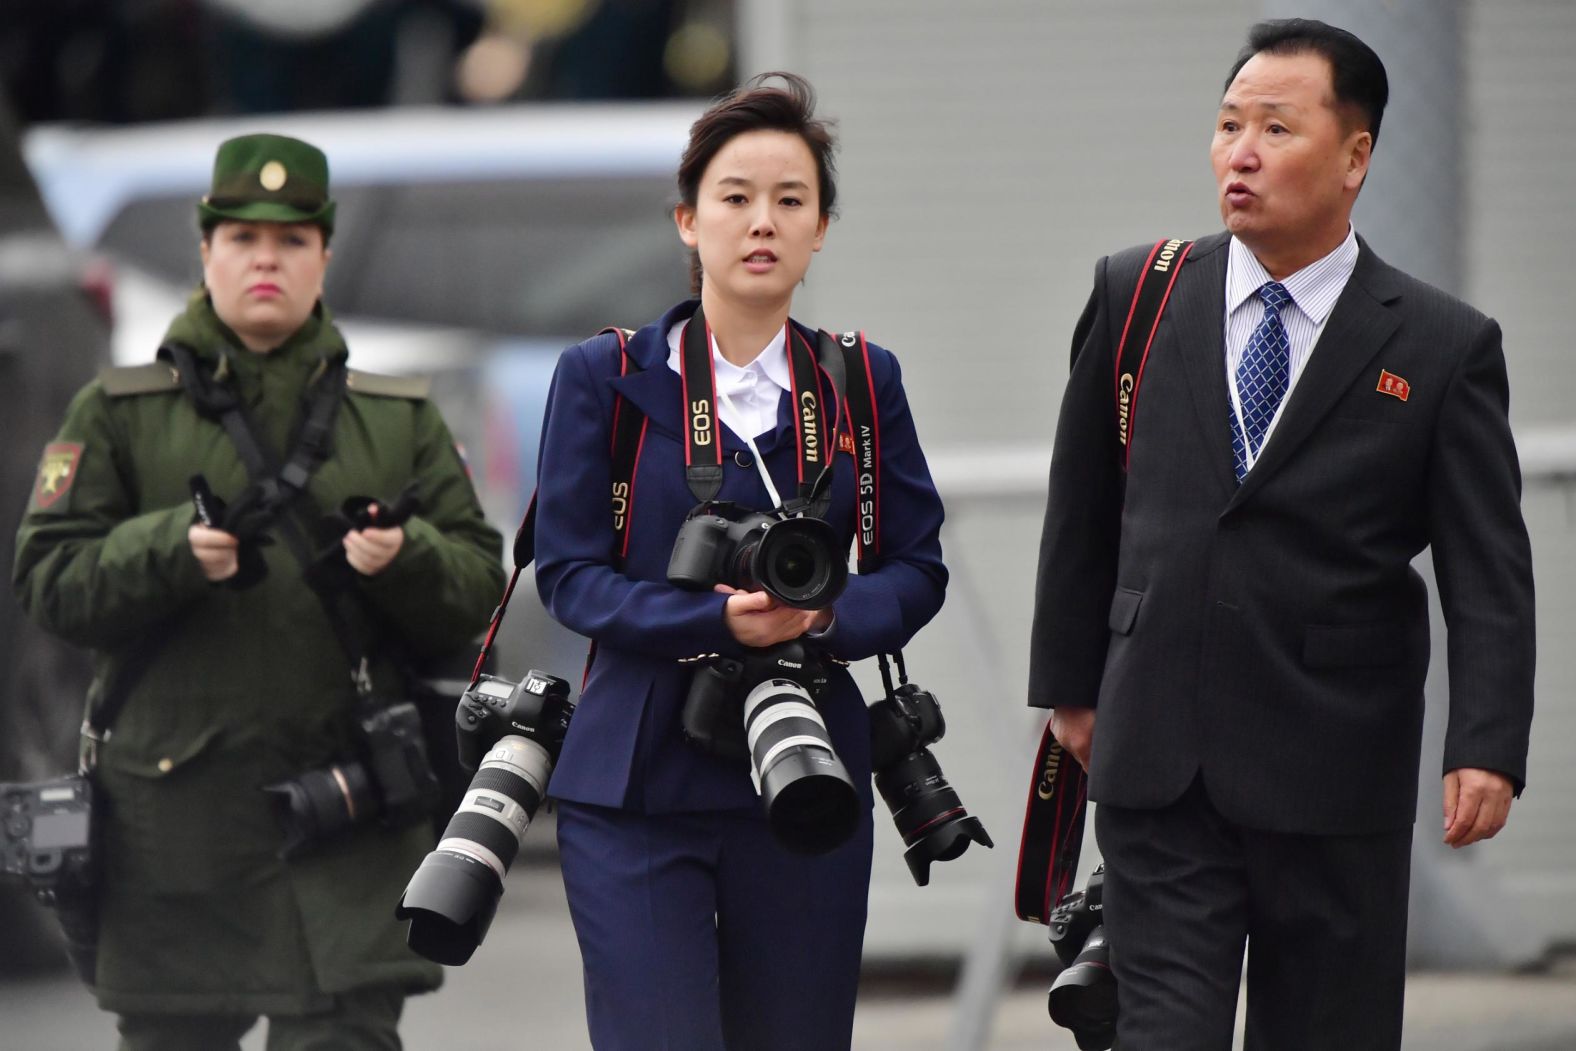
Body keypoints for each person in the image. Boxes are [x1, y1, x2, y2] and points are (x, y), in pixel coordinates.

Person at [1027, 19, 1535, 1051]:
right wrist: (1070, 685)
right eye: (1225, 125)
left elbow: (1487, 568)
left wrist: (1486, 743)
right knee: (1162, 1031)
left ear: (1354, 156)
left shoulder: (1440, 344)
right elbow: (1081, 506)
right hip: (1157, 747)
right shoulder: (1136, 292)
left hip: (1334, 759)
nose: (1240, 153)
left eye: (1273, 127)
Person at [13, 133, 503, 1050]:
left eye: (290, 242)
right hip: (173, 835)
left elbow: (478, 587)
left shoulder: (396, 417)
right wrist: (170, 550)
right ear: (207, 255)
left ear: (323, 254)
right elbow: (46, 580)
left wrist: (401, 556)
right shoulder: (118, 413)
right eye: (243, 240)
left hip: (349, 818)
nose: (266, 261)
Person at [531, 73, 947, 1050]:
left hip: (806, 769)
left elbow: (915, 563)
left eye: (790, 200)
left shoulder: (856, 378)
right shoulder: (607, 374)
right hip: (635, 775)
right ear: (686, 220)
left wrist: (825, 615)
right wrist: (714, 620)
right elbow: (570, 574)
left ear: (820, 230)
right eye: (734, 197)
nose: (762, 221)